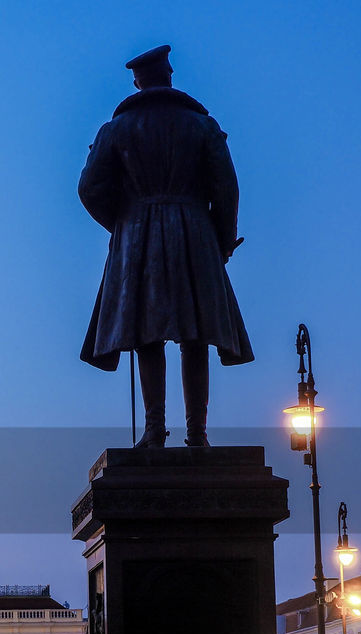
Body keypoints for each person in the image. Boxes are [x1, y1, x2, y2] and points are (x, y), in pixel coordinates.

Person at [78, 45, 252, 448]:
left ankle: (155, 429)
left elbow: (89, 189)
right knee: (197, 334)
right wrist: (223, 240)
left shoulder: (115, 130)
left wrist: (122, 222)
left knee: (146, 333)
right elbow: (227, 189)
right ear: (169, 77)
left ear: (138, 82)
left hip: (137, 236)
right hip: (195, 232)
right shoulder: (203, 126)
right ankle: (197, 434)